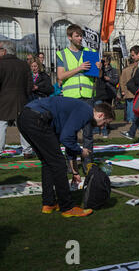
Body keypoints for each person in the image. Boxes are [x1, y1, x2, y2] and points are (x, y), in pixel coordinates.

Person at [17, 97, 115, 217]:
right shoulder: (86, 112)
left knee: (48, 162)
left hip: (25, 118)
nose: (102, 127)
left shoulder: (81, 110)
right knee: (58, 164)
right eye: (105, 123)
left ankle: (49, 203)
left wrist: (75, 172)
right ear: (100, 115)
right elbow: (66, 138)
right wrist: (81, 151)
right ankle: (67, 207)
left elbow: (70, 139)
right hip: (37, 118)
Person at [56, 24, 100, 171]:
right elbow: (60, 76)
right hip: (71, 99)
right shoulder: (62, 54)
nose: (80, 38)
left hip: (87, 97)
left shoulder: (90, 52)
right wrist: (79, 68)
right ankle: (72, 163)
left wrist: (98, 68)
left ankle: (88, 163)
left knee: (88, 133)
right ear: (70, 37)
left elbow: (96, 76)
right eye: (77, 36)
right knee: (70, 133)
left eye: (81, 35)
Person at [0, 40, 34, 159]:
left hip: (3, 99)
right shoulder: (24, 64)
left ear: (4, 51)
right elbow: (30, 84)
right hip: (21, 98)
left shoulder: (1, 64)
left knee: (1, 125)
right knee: (22, 125)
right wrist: (25, 94)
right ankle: (27, 151)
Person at [93, 55, 119, 138]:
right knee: (99, 111)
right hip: (99, 94)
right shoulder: (98, 70)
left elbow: (115, 81)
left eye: (104, 61)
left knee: (106, 112)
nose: (103, 63)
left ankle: (104, 130)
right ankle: (97, 129)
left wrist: (108, 78)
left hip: (108, 93)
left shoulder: (113, 70)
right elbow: (98, 76)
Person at [120, 45, 139, 126]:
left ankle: (130, 120)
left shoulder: (126, 69)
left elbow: (122, 81)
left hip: (128, 90)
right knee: (134, 106)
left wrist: (123, 90)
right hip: (134, 90)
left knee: (130, 106)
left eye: (133, 55)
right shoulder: (132, 69)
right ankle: (132, 121)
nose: (132, 57)